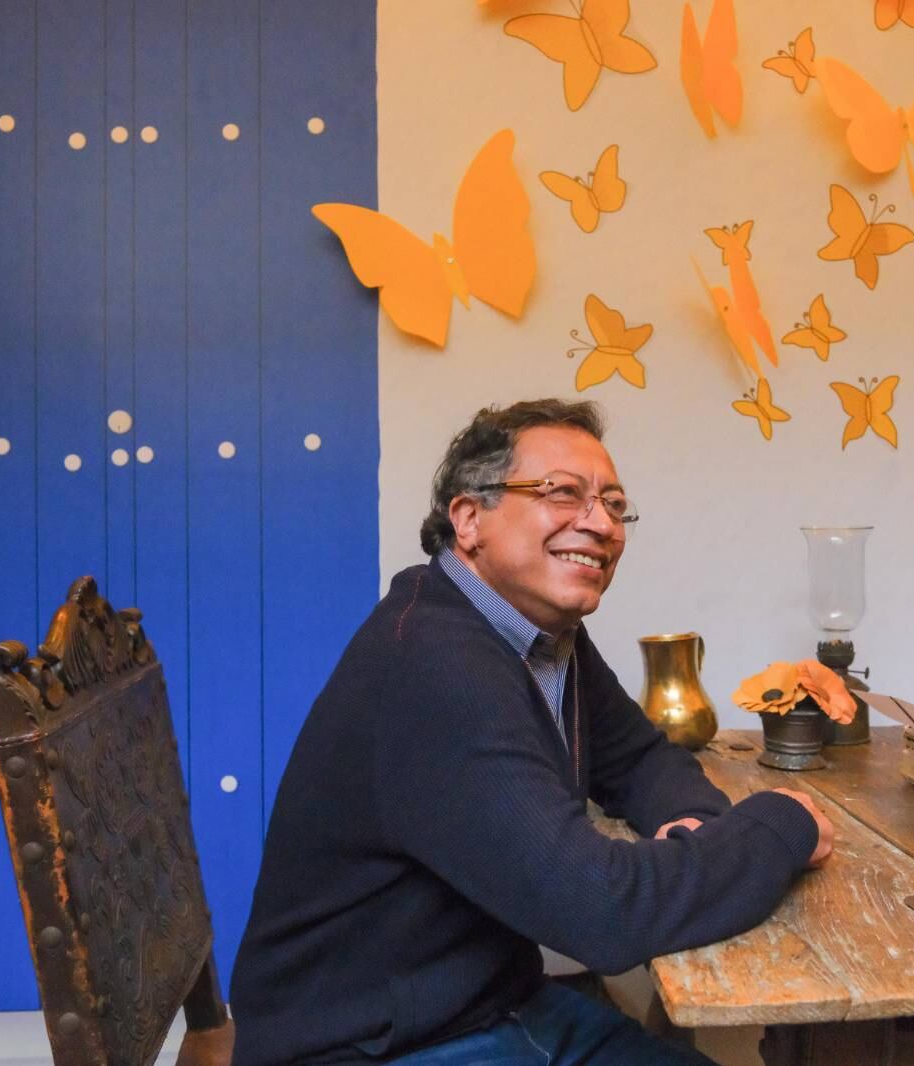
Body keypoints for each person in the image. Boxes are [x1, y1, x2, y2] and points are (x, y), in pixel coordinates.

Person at [229, 399, 834, 1065]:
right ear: (469, 519)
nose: (600, 523)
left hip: (484, 1004)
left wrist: (695, 823)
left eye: (613, 504)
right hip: (369, 1045)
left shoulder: (537, 634)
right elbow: (603, 913)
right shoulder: (434, 663)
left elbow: (639, 759)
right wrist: (780, 825)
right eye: (562, 493)